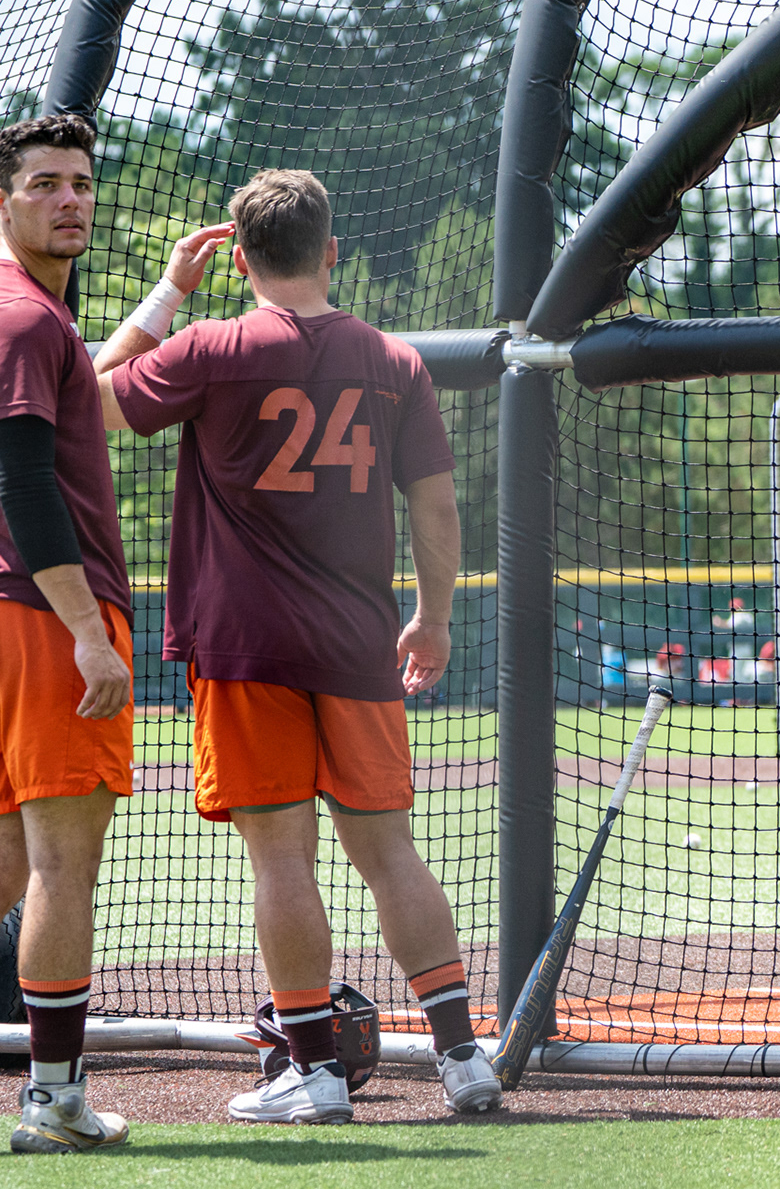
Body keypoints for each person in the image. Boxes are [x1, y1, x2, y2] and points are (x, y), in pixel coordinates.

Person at [94, 170, 501, 1123]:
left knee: (281, 860)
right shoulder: (395, 361)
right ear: (332, 251)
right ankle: (461, 1057)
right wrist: (433, 617)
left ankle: (314, 1073)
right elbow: (435, 504)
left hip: (245, 646)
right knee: (391, 852)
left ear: (239, 259)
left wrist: (169, 292)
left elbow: (94, 397)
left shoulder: (211, 346)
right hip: (360, 642)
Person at [0, 114, 135, 1154]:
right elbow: (27, 485)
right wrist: (89, 632)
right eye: (45, 184)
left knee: (8, 864)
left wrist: (164, 292)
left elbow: (88, 388)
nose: (70, 200)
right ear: (4, 201)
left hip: (14, 612)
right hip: (46, 618)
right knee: (60, 865)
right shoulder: (25, 318)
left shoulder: (31, 315)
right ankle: (52, 1099)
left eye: (81, 183)